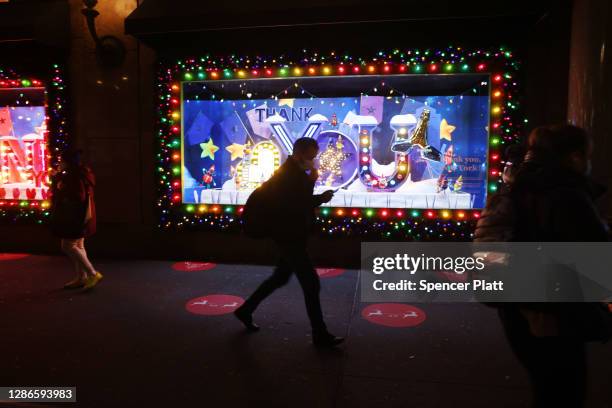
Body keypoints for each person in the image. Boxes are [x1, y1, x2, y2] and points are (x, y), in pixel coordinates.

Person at [489, 125, 609, 408]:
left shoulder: (516, 186)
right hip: (555, 310)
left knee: (546, 385)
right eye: (586, 155)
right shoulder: (565, 195)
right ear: (574, 157)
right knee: (565, 389)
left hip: (517, 307)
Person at [234, 137, 344, 347]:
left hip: (288, 235)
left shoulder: (292, 173)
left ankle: (245, 310)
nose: (314, 160)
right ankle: (320, 335)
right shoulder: (289, 175)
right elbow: (295, 204)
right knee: (311, 284)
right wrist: (320, 196)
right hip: (288, 237)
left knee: (280, 277)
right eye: (311, 156)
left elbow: (297, 199)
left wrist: (312, 182)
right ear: (300, 154)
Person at [50, 149, 102, 291]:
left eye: (62, 161)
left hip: (74, 217)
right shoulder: (82, 172)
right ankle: (82, 278)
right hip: (82, 216)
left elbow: (78, 196)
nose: (60, 163)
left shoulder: (73, 176)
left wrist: (60, 185)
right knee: (78, 245)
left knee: (67, 246)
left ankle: (92, 273)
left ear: (68, 162)